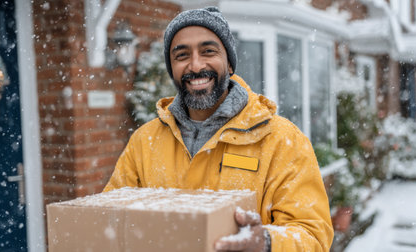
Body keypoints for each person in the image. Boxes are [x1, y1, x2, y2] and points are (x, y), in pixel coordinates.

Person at [104, 6, 334, 251]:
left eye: (208, 51)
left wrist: (267, 243)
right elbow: (111, 217)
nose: (195, 65)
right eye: (181, 55)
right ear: (172, 70)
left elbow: (312, 233)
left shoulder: (281, 139)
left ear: (230, 64)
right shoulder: (144, 141)